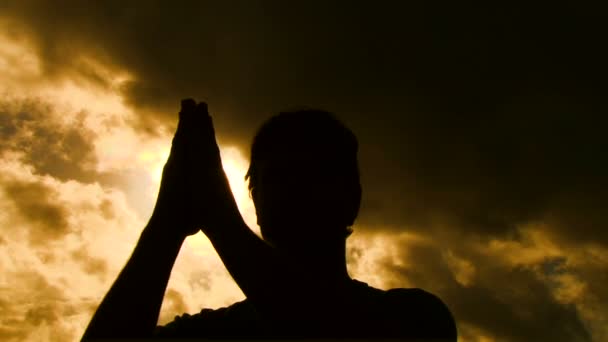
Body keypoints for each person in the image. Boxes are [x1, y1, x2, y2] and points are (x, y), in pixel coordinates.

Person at [81, 99, 457, 341]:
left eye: (315, 174)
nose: (296, 189)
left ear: (352, 198)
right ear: (254, 199)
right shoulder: (209, 336)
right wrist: (166, 222)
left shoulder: (414, 318)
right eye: (278, 176)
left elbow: (322, 328)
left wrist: (216, 214)